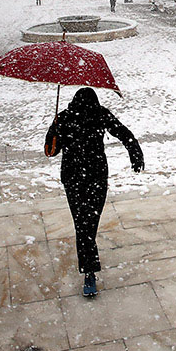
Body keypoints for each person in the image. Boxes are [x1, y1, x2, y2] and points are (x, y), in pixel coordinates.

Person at [44, 88, 143, 297]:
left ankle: (88, 264)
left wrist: (54, 131)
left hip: (84, 177)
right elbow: (51, 150)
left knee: (85, 224)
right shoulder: (78, 116)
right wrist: (54, 131)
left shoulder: (69, 116)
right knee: (86, 224)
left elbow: (50, 152)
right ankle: (89, 271)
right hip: (86, 177)